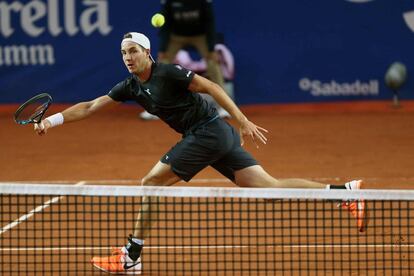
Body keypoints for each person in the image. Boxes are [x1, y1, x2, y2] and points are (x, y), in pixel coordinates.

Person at [34, 32, 367, 275]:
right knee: (270, 190)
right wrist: (52, 120)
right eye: (123, 53)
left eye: (133, 51)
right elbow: (92, 105)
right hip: (212, 138)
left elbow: (212, 87)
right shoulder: (130, 86)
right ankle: (345, 193)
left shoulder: (168, 72)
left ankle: (131, 257)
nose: (127, 57)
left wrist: (242, 119)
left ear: (147, 53)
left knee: (150, 183)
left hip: (209, 132)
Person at [139, 0, 231, 120]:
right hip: (176, 36)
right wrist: (163, 49)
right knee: (160, 65)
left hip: (200, 35)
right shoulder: (168, 2)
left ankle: (223, 107)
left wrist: (211, 49)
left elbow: (209, 22)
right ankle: (154, 108)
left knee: (213, 64)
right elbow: (165, 25)